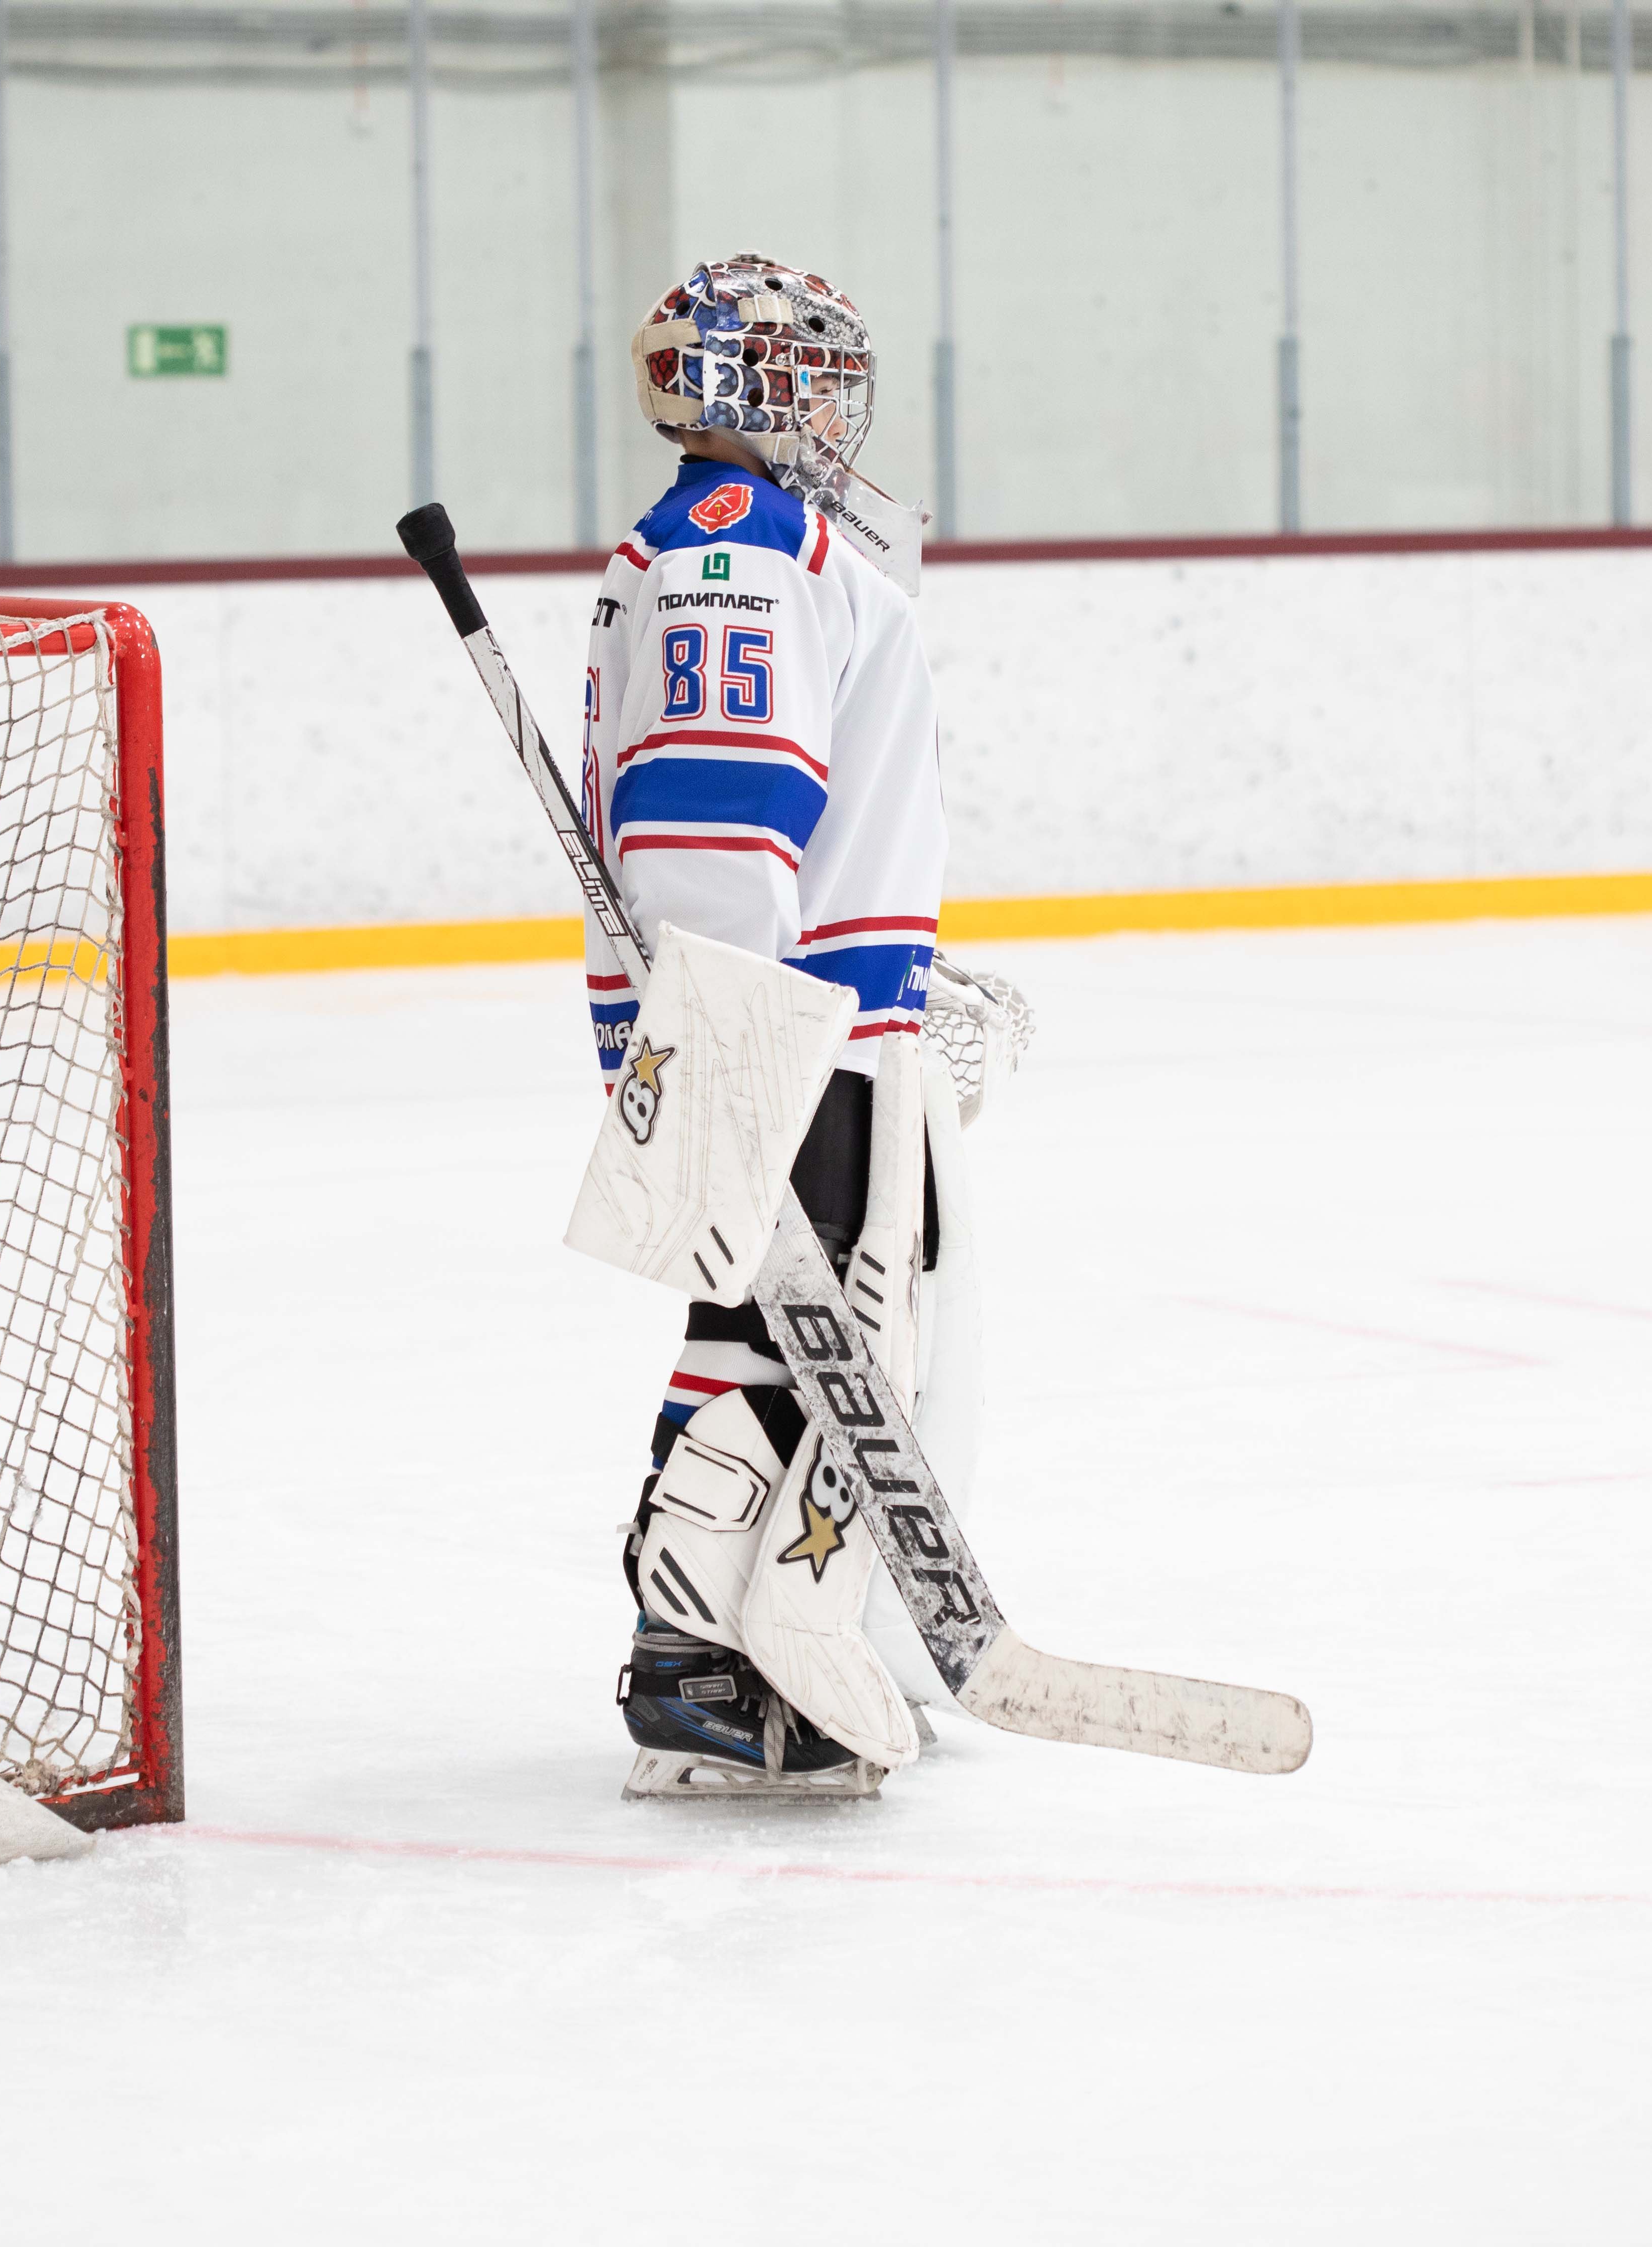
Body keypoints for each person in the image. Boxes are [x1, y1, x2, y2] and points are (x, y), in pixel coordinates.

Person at [579, 252, 956, 1799]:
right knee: (777, 1330)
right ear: (735, 384)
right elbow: (710, 839)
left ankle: (716, 1642)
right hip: (779, 1026)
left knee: (786, 1333)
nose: (826, 407)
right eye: (799, 372)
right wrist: (741, 1042)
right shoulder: (739, 549)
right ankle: (693, 1652)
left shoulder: (763, 548)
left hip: (804, 1014)